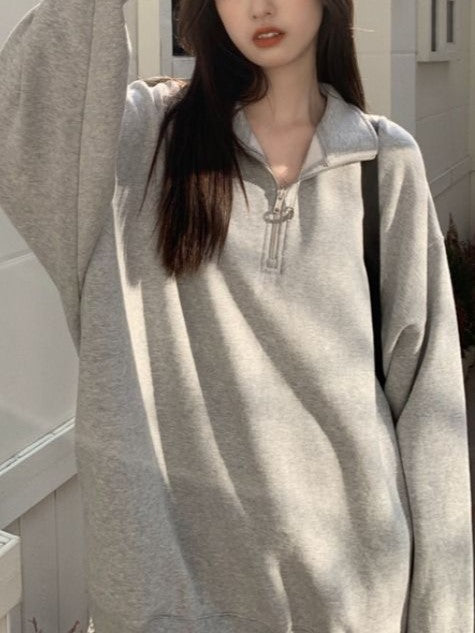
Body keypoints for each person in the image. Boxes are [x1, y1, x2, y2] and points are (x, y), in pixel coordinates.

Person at [0, 0, 472, 631]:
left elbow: (428, 403)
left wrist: (443, 618)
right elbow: (23, 114)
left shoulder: (382, 163)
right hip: (172, 603)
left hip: (354, 598)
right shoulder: (135, 145)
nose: (259, 6)